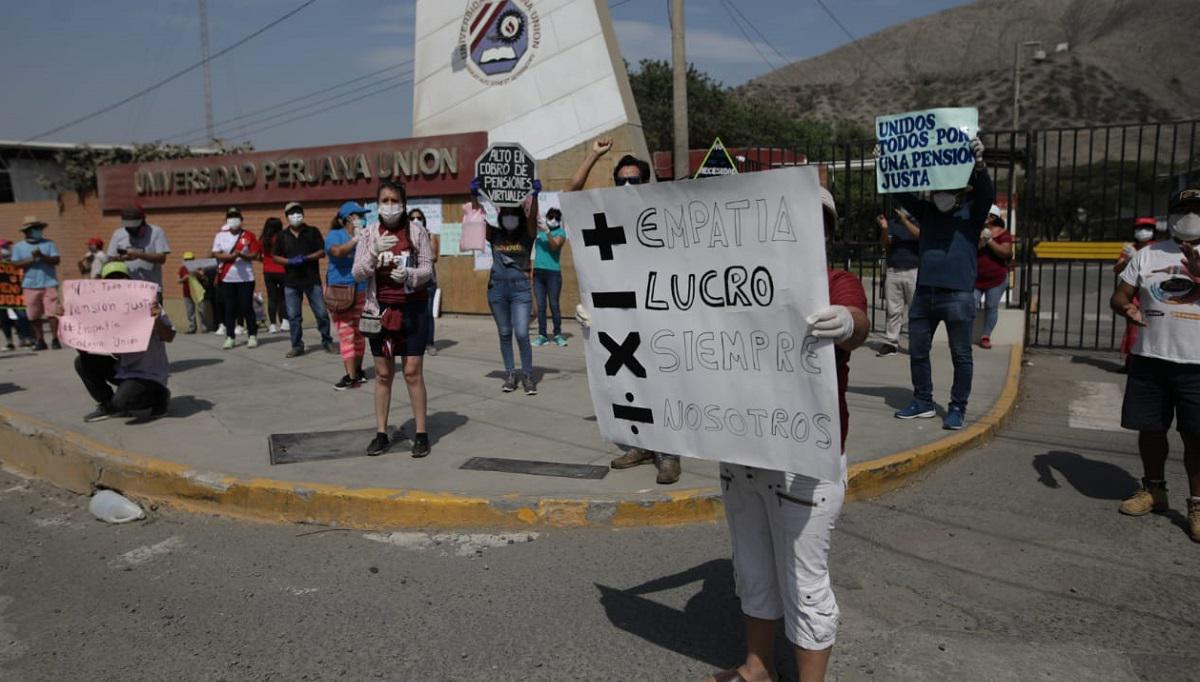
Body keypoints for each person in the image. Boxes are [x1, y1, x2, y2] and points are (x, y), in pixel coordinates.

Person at [705, 187, 869, 682]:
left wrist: (847, 323)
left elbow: (860, 323)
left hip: (805, 464)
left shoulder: (836, 282)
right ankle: (757, 668)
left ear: (826, 234)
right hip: (741, 455)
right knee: (752, 568)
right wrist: (611, 319)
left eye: (814, 222)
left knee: (804, 581)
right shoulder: (737, 284)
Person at [569, 136, 682, 484]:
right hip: (619, 315)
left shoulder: (660, 214)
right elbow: (571, 194)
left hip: (656, 312)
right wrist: (593, 155)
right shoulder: (604, 214)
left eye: (634, 180)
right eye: (621, 181)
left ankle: (668, 454)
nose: (627, 186)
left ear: (646, 182)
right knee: (629, 378)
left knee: (661, 382)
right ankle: (640, 444)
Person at [1110, 187, 1200, 542]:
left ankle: (1197, 504)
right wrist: (1125, 307)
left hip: (1196, 364)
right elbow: (1120, 294)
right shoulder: (1147, 255)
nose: (1190, 216)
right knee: (1150, 430)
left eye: (1197, 209)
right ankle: (1154, 489)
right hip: (1150, 358)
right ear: (1171, 215)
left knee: (1196, 436)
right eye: (1183, 209)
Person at [893, 136, 994, 431]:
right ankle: (922, 401)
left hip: (958, 295)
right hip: (925, 293)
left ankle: (957, 408)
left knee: (961, 355)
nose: (941, 193)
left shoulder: (972, 213)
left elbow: (987, 192)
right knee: (917, 351)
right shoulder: (926, 212)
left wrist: (980, 165)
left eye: (947, 188)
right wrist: (886, 164)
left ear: (962, 189)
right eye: (938, 188)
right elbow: (899, 192)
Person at [351, 180, 435, 457]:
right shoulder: (369, 234)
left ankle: (421, 433)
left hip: (412, 309)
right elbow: (357, 273)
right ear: (377, 204)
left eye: (394, 200)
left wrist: (409, 275)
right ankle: (381, 433)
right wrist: (374, 252)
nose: (389, 206)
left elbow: (427, 269)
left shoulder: (417, 231)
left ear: (403, 203)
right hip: (381, 312)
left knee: (412, 372)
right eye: (384, 201)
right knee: (384, 374)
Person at [75, 261, 175, 422]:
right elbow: (95, 346)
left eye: (120, 277)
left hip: (148, 374)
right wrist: (68, 323)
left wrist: (156, 320)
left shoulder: (147, 303)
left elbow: (169, 336)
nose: (116, 282)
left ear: (129, 280)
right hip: (123, 369)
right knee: (82, 362)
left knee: (123, 402)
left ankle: (160, 397)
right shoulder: (104, 310)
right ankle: (108, 405)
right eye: (111, 279)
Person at [472, 176, 541, 396]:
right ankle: (510, 374)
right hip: (497, 289)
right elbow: (477, 220)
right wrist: (474, 197)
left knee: (521, 333)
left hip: (520, 289)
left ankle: (528, 375)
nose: (509, 216)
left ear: (519, 215)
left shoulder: (527, 235)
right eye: (506, 213)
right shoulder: (496, 234)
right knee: (504, 333)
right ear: (501, 216)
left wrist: (535, 197)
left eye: (513, 213)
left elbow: (532, 219)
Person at [272, 202, 333, 358]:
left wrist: (306, 258)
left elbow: (321, 251)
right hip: (291, 282)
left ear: (303, 214)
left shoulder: (312, 231)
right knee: (294, 317)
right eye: (292, 213)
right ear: (287, 217)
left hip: (311, 280)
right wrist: (290, 261)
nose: (295, 216)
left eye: (298, 212)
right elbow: (275, 256)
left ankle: (327, 340)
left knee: (321, 313)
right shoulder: (282, 236)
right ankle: (297, 345)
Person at [326, 201, 370, 389]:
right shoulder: (334, 235)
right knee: (346, 335)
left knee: (359, 334)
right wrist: (355, 240)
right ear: (347, 218)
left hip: (360, 290)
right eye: (359, 215)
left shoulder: (366, 235)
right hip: (340, 292)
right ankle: (351, 377)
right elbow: (337, 252)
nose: (363, 219)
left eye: (363, 215)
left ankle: (357, 372)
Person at [211, 207, 261, 350]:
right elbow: (216, 253)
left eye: (236, 217)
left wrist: (243, 255)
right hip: (227, 278)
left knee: (246, 307)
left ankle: (252, 335)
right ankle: (230, 337)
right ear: (227, 220)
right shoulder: (220, 235)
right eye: (231, 217)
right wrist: (230, 257)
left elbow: (255, 254)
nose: (234, 220)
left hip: (246, 278)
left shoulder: (249, 235)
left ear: (241, 219)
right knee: (229, 308)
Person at [10, 216, 62, 351]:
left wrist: (42, 256)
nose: (38, 231)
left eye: (39, 228)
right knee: (33, 315)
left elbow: (56, 260)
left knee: (53, 313)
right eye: (35, 228)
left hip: (49, 282)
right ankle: (40, 340)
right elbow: (15, 264)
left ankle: (55, 339)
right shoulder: (19, 247)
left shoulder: (49, 243)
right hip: (30, 285)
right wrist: (32, 259)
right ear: (27, 231)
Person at [876, 207, 920, 356]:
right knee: (893, 310)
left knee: (915, 311)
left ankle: (916, 344)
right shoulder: (892, 223)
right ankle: (891, 342)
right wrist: (884, 229)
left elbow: (920, 236)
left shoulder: (919, 220)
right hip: (893, 270)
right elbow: (885, 244)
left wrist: (905, 221)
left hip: (913, 270)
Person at [1115, 217, 1158, 366]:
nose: (1143, 231)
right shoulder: (1130, 249)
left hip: (1152, 293)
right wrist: (1128, 260)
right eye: (1140, 228)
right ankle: (1131, 361)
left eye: (1148, 228)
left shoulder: (1158, 249)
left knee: (1153, 327)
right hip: (1133, 294)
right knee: (1133, 328)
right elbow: (1117, 269)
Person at [107, 206, 171, 297]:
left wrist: (139, 255)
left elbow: (162, 258)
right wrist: (122, 258)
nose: (131, 230)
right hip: (126, 289)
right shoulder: (118, 234)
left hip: (151, 288)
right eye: (128, 227)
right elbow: (110, 259)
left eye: (134, 227)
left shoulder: (156, 232)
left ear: (143, 220)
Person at [974, 204, 1014, 349]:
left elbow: (1006, 253)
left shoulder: (1003, 234)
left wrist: (990, 241)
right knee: (970, 304)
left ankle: (986, 335)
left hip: (996, 279)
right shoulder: (975, 230)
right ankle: (964, 334)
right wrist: (980, 241)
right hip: (975, 279)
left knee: (991, 306)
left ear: (992, 217)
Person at [532, 208, 568, 348]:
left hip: (553, 273)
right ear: (546, 217)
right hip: (538, 273)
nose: (553, 220)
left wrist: (547, 232)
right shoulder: (539, 232)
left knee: (554, 304)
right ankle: (542, 335)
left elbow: (554, 246)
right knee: (541, 306)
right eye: (551, 217)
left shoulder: (561, 232)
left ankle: (557, 334)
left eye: (556, 218)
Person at [409, 207, 441, 357]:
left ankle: (430, 343)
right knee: (412, 312)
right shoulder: (406, 236)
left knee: (427, 312)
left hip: (427, 280)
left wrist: (420, 249)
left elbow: (434, 257)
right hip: (411, 279)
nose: (416, 220)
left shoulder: (430, 235)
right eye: (412, 218)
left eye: (419, 218)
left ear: (423, 220)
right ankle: (416, 342)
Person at [0, 240, 35, 350]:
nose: (6, 249)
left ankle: (27, 338)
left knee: (22, 316)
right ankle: (9, 342)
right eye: (3, 247)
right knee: (3, 319)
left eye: (7, 247)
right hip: (2, 296)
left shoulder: (15, 261)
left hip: (16, 294)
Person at [260, 217, 288, 334]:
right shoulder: (282, 237)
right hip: (282, 270)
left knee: (271, 298)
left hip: (268, 270)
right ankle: (284, 321)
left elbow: (259, 255)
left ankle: (272, 324)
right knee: (283, 297)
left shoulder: (263, 239)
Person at [177, 252, 203, 334]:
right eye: (186, 259)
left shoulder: (197, 268)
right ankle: (192, 328)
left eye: (190, 259)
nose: (188, 261)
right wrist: (185, 278)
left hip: (197, 292)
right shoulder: (182, 269)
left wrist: (197, 273)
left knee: (201, 310)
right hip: (187, 293)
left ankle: (203, 328)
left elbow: (202, 276)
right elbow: (178, 280)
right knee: (190, 312)